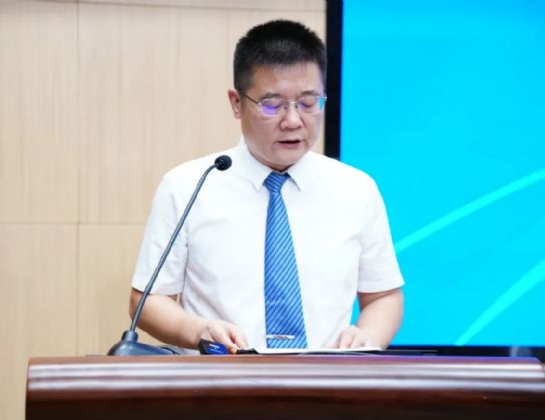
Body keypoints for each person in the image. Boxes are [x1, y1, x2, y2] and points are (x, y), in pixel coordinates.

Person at [130, 19, 404, 353]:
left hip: (327, 380)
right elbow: (148, 300)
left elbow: (384, 296)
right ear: (236, 103)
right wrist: (199, 330)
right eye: (272, 105)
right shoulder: (188, 186)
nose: (293, 121)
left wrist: (368, 337)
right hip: (221, 378)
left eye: (308, 103)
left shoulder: (356, 189)